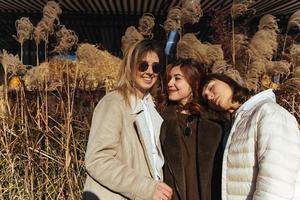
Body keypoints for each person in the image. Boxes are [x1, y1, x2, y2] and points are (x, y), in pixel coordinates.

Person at [83, 39, 173, 200]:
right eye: (143, 65)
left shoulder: (152, 108)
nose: (150, 71)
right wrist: (146, 188)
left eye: (156, 67)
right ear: (130, 66)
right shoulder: (114, 103)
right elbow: (97, 160)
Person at [200, 73, 300, 200]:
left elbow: (277, 180)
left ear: (228, 81)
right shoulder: (233, 128)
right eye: (206, 97)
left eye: (211, 87)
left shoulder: (269, 112)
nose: (209, 96)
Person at [158, 59, 223, 200]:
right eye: (169, 78)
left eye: (177, 78)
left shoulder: (216, 123)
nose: (169, 83)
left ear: (193, 81)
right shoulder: (160, 120)